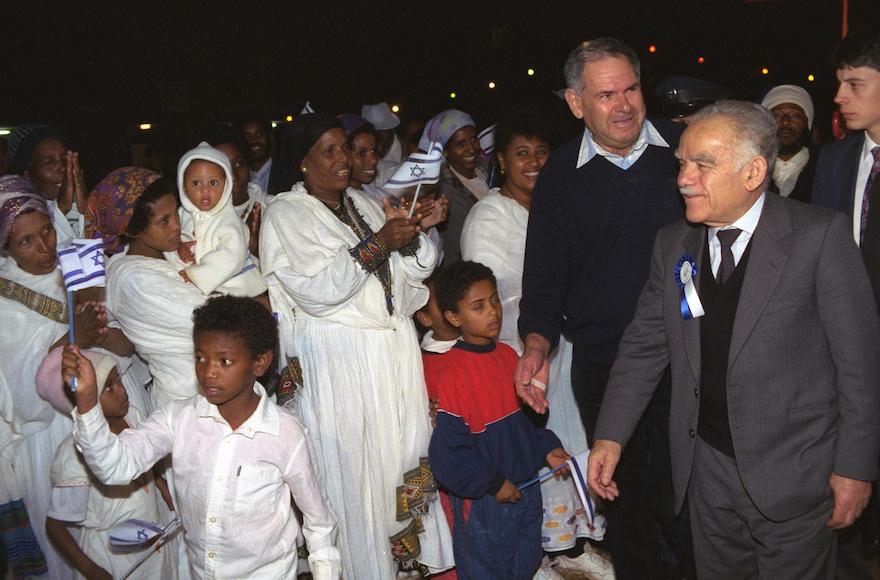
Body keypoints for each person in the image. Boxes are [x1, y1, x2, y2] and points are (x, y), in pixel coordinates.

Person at [587, 100, 880, 579]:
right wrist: (610, 435)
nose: (684, 178)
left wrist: (856, 468)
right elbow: (644, 347)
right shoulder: (674, 244)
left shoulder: (817, 239)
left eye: (704, 164)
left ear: (753, 172)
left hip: (797, 470)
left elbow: (860, 368)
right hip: (705, 471)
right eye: (682, 163)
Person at [516, 38, 691, 579]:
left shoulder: (688, 152)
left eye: (632, 88)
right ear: (575, 103)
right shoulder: (562, 175)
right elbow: (545, 277)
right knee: (628, 502)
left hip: (691, 356)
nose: (624, 105)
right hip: (605, 364)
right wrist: (536, 346)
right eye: (606, 94)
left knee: (691, 498)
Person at [260, 113, 454, 579]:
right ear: (302, 163)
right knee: (354, 471)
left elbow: (413, 277)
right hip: (339, 359)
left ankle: (403, 565)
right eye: (329, 151)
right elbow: (319, 290)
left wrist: (413, 232)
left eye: (343, 148)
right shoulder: (286, 212)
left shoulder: (365, 204)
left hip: (389, 349)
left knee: (396, 459)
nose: (343, 159)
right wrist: (381, 243)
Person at [63, 295, 342, 579]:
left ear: (260, 363)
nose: (208, 371)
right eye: (200, 357)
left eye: (225, 361)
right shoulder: (178, 419)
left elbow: (319, 522)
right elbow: (114, 467)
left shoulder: (285, 434)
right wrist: (87, 402)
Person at [459, 107, 609, 574]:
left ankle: (578, 533)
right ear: (501, 160)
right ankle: (553, 541)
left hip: (571, 342)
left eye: (542, 152)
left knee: (576, 432)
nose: (533, 161)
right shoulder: (490, 214)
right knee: (544, 439)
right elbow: (492, 289)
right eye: (521, 153)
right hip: (525, 348)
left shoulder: (557, 204)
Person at [0, 178, 129, 580]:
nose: (44, 248)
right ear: (5, 247)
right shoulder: (4, 301)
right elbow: (17, 387)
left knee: (124, 536)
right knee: (73, 547)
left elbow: (124, 343)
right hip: (50, 434)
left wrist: (101, 329)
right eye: (25, 242)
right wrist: (74, 335)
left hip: (105, 411)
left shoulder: (76, 266)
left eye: (47, 231)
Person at [427, 260, 567, 579]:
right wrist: (491, 484)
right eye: (478, 306)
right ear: (453, 317)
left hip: (526, 488)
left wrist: (547, 449)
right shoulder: (453, 374)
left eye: (493, 300)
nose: (493, 311)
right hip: (484, 503)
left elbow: (527, 425)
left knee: (525, 559)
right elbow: (447, 456)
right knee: (486, 570)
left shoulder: (508, 357)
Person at [811, 28, 880, 576]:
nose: (839, 97)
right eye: (839, 84)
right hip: (843, 361)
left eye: (855, 84)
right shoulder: (833, 161)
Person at [45, 352, 176, 580]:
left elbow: (136, 457)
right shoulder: (73, 456)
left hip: (151, 550)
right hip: (112, 557)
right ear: (86, 399)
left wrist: (158, 480)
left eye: (120, 380)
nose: (122, 390)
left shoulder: (132, 417)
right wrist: (90, 570)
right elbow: (55, 526)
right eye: (109, 387)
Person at [104, 177, 208, 409]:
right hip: (186, 396)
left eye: (175, 213)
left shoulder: (169, 250)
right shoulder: (133, 280)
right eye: (163, 221)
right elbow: (204, 318)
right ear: (133, 229)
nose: (176, 226)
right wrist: (257, 304)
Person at [167, 142, 266, 297]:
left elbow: (231, 255)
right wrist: (178, 246)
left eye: (213, 183)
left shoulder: (229, 220)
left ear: (226, 185)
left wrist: (198, 275)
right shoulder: (180, 215)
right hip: (195, 288)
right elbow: (167, 239)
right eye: (196, 183)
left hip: (235, 289)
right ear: (183, 187)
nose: (205, 190)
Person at [422, 109, 490, 263]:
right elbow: (458, 246)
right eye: (461, 144)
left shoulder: (486, 170)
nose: (471, 148)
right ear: (445, 151)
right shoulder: (446, 193)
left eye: (474, 139)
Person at [7, 123, 88, 246]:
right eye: (49, 162)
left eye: (65, 159)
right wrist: (59, 210)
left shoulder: (80, 209)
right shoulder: (11, 222)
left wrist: (88, 211)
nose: (62, 168)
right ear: (26, 174)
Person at [760, 84, 817, 201]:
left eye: (795, 115)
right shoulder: (750, 169)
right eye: (776, 115)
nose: (785, 121)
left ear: (808, 124)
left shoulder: (826, 168)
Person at [240, 120, 273, 193]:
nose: (254, 140)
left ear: (270, 137)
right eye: (248, 137)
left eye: (260, 135)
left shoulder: (288, 175)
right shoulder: (238, 177)